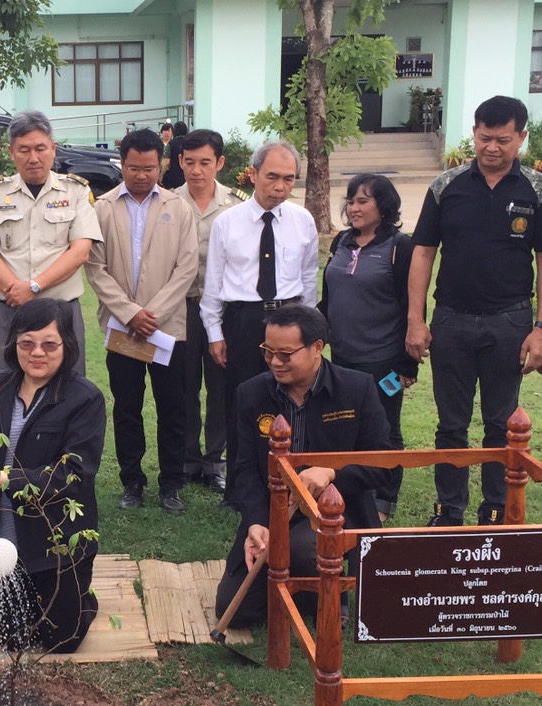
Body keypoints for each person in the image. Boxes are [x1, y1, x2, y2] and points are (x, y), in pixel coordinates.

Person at [406, 95, 542, 527]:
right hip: (451, 319)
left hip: (510, 321)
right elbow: (423, 253)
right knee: (450, 424)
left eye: (503, 140)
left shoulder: (539, 190)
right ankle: (448, 510)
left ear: (521, 138)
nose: (492, 147)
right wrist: (416, 320)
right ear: (474, 133)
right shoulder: (446, 185)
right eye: (484, 138)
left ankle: (496, 509)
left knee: (501, 423)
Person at [0, 299, 105, 654]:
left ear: (67, 345)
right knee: (10, 640)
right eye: (27, 343)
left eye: (49, 344)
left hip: (57, 542)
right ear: (14, 343)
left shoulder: (84, 399)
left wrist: (6, 479)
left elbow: (74, 474)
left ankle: (83, 599)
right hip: (1, 540)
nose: (37, 353)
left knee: (61, 642)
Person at [214, 305, 392, 628]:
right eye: (268, 351)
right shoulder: (251, 393)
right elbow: (245, 469)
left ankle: (332, 595)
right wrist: (256, 523)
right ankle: (300, 588)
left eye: (285, 354)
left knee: (301, 547)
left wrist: (332, 472)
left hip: (335, 515)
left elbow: (383, 463)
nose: (274, 362)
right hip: (274, 512)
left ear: (317, 348)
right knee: (234, 611)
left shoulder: (356, 389)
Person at [85, 126, 199, 512]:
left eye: (149, 168)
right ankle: (132, 481)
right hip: (123, 328)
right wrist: (131, 313)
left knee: (173, 407)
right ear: (122, 165)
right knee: (127, 406)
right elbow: (95, 268)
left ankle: (171, 484)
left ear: (162, 166)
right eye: (134, 168)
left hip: (167, 330)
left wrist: (154, 314)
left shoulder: (178, 208)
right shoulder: (102, 208)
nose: (142, 175)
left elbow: (187, 267)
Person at [201, 140, 320, 490]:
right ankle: (240, 487)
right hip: (244, 321)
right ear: (253, 174)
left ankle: (291, 482)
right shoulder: (227, 222)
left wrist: (310, 331)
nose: (280, 186)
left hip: (291, 318)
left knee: (293, 399)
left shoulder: (302, 220)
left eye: (289, 179)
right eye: (272, 177)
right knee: (242, 402)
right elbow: (213, 284)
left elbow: (309, 278)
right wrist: (215, 334)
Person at [319, 173, 419, 522]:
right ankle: (351, 492)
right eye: (350, 201)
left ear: (384, 206)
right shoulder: (341, 241)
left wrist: (407, 364)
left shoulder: (400, 247)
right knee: (344, 425)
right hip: (341, 357)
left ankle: (384, 500)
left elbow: (411, 307)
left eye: (363, 201)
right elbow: (328, 300)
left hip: (383, 361)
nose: (354, 208)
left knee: (385, 428)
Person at [0, 111, 100, 376]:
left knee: (67, 388)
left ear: (53, 148)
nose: (33, 158)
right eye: (24, 150)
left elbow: (80, 252)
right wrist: (17, 293)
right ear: (11, 152)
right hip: (8, 310)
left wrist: (33, 287)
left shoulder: (77, 191)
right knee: (4, 385)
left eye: (40, 148)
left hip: (62, 311)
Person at [173, 128, 247, 493]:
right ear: (180, 162)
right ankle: (188, 459)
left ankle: (214, 461)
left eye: (205, 162)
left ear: (219, 163)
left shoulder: (237, 205)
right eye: (189, 162)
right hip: (182, 308)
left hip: (223, 310)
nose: (196, 170)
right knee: (184, 386)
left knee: (221, 388)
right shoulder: (169, 202)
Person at [162, 120, 189, 188]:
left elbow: (167, 162)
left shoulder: (171, 144)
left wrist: (161, 176)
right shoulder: (190, 143)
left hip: (174, 178)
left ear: (174, 131)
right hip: (187, 176)